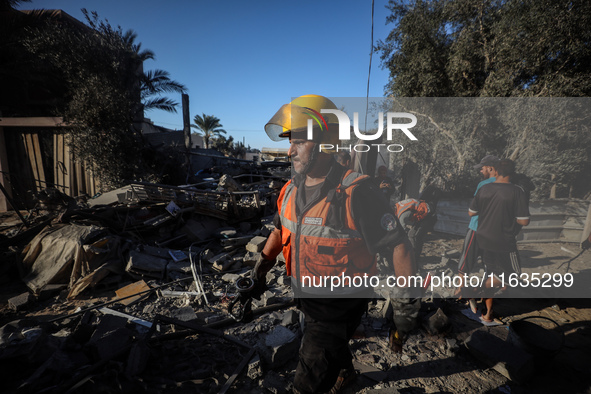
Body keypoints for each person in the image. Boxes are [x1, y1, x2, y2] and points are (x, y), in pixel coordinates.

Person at [254, 94, 418, 394]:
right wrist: (260, 268)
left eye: (299, 142)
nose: (290, 151)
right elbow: (281, 230)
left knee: (308, 382)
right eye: (290, 142)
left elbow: (398, 245)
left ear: (325, 143)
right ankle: (346, 373)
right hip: (306, 295)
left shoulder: (359, 192)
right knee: (331, 346)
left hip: (339, 303)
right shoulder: (290, 190)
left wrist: (405, 303)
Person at [468, 159, 530, 322]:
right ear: (513, 173)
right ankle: (473, 291)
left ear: (496, 172)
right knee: (513, 276)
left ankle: (488, 315)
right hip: (504, 242)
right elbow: (524, 221)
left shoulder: (484, 188)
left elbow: (471, 212)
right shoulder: (517, 191)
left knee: (492, 274)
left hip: (483, 239)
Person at [455, 155, 499, 309]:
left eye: (483, 168)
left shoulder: (484, 185)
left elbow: (473, 211)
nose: (481, 170)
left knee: (464, 264)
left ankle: (462, 293)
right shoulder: (509, 185)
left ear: (491, 168)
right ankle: (486, 306)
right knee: (491, 269)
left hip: (477, 228)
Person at [394, 185, 441, 260]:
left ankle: (414, 258)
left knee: (417, 236)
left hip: (429, 216)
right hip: (424, 214)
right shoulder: (399, 205)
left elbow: (402, 234)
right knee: (411, 234)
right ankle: (413, 255)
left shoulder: (401, 215)